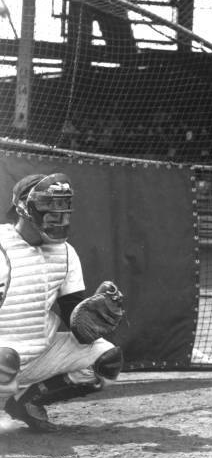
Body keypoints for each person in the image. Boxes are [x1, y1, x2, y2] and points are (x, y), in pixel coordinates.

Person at [0, 173, 124, 432]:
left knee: (107, 360)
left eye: (63, 211)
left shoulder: (66, 253)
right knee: (5, 358)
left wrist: (92, 317)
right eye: (51, 211)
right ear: (25, 209)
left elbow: (72, 313)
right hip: (2, 358)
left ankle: (27, 401)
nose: (60, 218)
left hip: (38, 355)